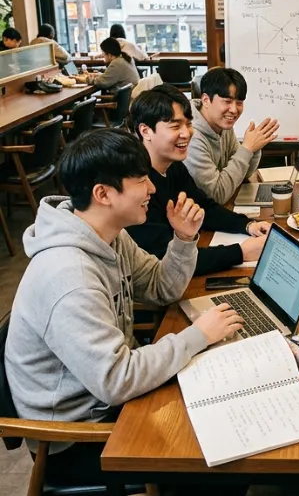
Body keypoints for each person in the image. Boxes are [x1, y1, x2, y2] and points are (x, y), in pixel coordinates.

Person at [4, 128, 243, 485]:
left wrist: (183, 239)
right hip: (76, 438)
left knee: (226, 404)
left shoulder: (108, 234)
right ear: (103, 194)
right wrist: (197, 336)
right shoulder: (69, 276)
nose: (151, 189)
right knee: (221, 461)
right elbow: (117, 380)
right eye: (140, 179)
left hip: (109, 397)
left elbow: (163, 288)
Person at [126, 85, 272, 275]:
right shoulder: (135, 184)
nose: (187, 133)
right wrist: (241, 252)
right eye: (175, 126)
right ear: (145, 131)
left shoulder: (173, 166)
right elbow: (165, 260)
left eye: (188, 124)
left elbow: (205, 207)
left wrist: (247, 225)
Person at [184, 67, 279, 205]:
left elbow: (241, 174)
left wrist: (254, 147)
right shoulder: (191, 136)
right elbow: (217, 195)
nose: (234, 110)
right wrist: (247, 148)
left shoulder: (222, 124)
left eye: (239, 102)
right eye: (227, 101)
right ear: (205, 100)